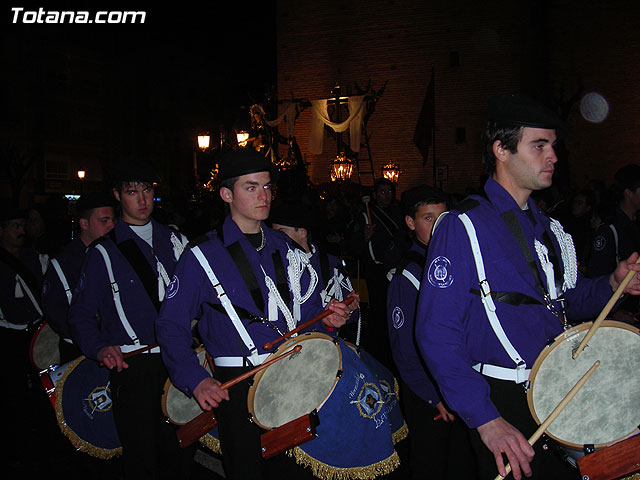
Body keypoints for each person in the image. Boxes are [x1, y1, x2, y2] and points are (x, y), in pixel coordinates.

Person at [415, 93, 640, 480]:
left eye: (553, 146)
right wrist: (486, 419)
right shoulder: (462, 226)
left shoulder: (548, 227)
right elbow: (436, 333)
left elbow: (564, 302)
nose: (553, 156)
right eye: (539, 145)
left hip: (560, 386)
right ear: (501, 150)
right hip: (504, 399)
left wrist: (610, 283)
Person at [155, 148, 352, 480]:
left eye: (267, 187)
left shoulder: (284, 246)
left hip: (294, 378)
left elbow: (309, 312)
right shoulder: (201, 255)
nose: (264, 196)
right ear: (226, 194)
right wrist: (196, 379)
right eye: (251, 187)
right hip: (238, 388)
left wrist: (328, 322)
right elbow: (171, 325)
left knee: (296, 473)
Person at [68, 161, 193, 480]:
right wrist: (99, 348)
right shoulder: (103, 252)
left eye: (147, 191)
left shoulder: (177, 242)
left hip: (179, 358)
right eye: (132, 192)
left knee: (181, 451)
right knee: (141, 456)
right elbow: (80, 314)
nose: (141, 200)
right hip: (134, 366)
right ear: (117, 195)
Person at [386, 185, 476, 479]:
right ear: (411, 223)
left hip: (458, 382)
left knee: (463, 461)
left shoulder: (457, 261)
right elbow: (405, 349)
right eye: (428, 218)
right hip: (429, 389)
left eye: (443, 217)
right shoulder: (409, 275)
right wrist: (433, 395)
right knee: (432, 462)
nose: (438, 226)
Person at [42, 192, 116, 363]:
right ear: (84, 223)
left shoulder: (116, 254)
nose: (112, 226)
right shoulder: (63, 262)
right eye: (104, 221)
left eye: (113, 220)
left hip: (115, 347)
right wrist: (92, 339)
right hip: (79, 351)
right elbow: (56, 313)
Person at [270, 200, 360, 326]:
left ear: (302, 232)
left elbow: (352, 314)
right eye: (272, 233)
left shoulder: (331, 264)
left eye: (281, 232)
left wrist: (348, 309)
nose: (276, 238)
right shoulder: (273, 265)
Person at [586, 165, 640, 324]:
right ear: (629, 193)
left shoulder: (635, 225)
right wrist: (614, 313)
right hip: (619, 315)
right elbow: (596, 275)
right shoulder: (610, 230)